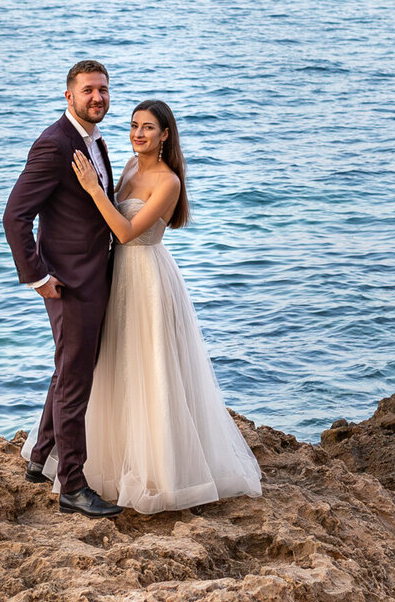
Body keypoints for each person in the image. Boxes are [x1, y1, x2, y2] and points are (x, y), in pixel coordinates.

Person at [61, 97, 262, 515]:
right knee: (116, 365)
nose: (137, 133)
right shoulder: (132, 166)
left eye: (148, 127)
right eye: (133, 125)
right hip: (116, 275)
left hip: (146, 277)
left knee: (150, 369)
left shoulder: (168, 181)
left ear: (165, 134)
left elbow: (127, 231)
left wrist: (94, 189)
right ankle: (109, 463)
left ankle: (161, 472)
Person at [2, 60, 124, 518]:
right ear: (68, 96)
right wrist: (37, 276)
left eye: (104, 90)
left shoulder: (92, 140)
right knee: (76, 379)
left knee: (69, 368)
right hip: (69, 282)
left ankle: (40, 457)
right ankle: (72, 484)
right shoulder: (54, 145)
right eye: (89, 90)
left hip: (95, 275)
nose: (98, 98)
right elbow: (15, 216)